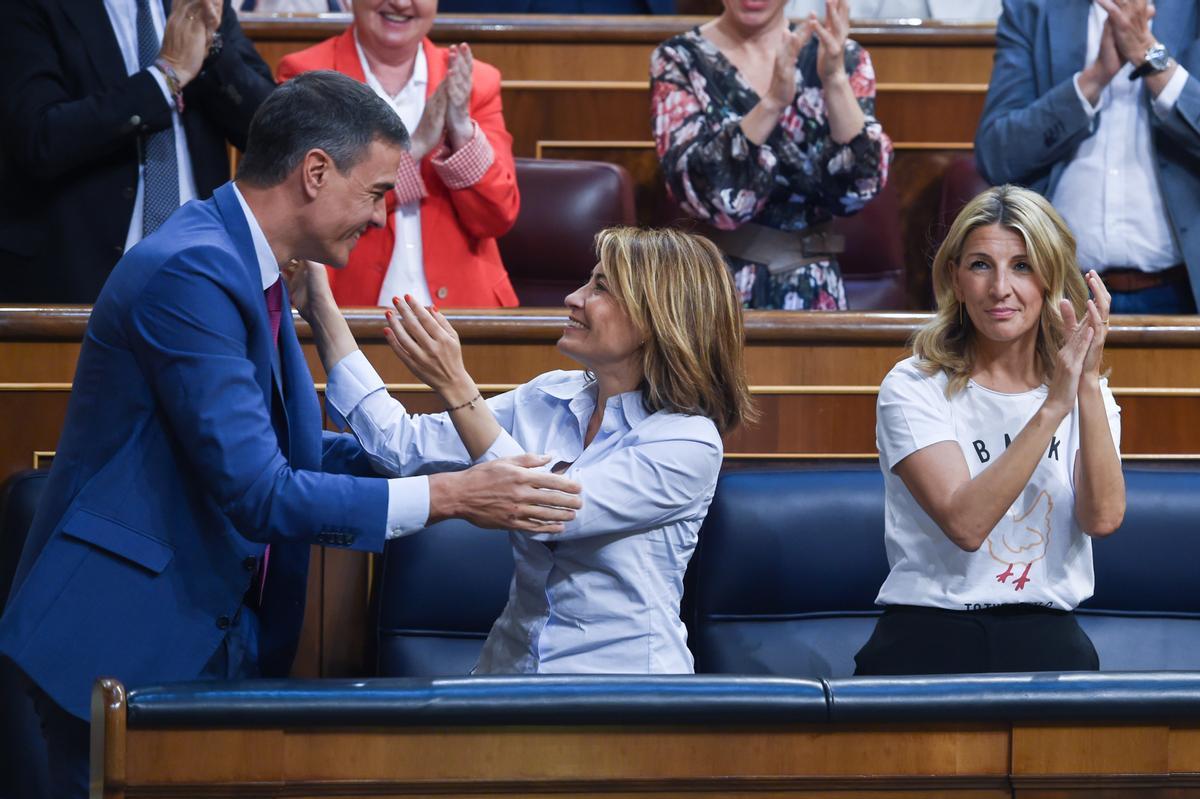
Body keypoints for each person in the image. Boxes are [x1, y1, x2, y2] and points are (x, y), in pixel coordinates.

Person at [0, 71, 581, 799]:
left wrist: (441, 456)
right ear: (315, 172)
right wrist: (451, 496)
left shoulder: (251, 263)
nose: (379, 220)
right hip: (120, 642)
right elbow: (259, 488)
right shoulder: (193, 270)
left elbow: (290, 449)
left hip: (204, 636)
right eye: (375, 193)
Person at [290, 226, 756, 673]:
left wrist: (456, 385)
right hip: (510, 678)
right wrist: (321, 308)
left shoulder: (688, 440)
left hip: (623, 697)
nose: (573, 298)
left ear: (658, 318)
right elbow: (397, 446)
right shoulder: (549, 396)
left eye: (601, 287)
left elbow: (545, 512)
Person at [854, 185, 1125, 676]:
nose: (1001, 288)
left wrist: (1083, 384)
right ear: (955, 279)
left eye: (1022, 266)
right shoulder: (915, 385)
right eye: (981, 265)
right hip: (928, 629)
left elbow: (1102, 519)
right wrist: (1051, 408)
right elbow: (967, 525)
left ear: (1050, 280)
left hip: (1048, 632)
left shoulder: (1089, 393)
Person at [0, 0, 277, 303]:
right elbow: (41, 139)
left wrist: (212, 49)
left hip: (202, 274)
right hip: (76, 277)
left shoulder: (196, 5)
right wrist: (164, 77)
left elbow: (270, 135)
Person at [276, 0, 520, 308]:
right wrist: (415, 147)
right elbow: (310, 207)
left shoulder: (474, 81)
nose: (402, 3)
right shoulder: (309, 75)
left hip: (465, 312)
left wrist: (461, 133)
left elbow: (497, 217)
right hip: (347, 312)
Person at [651, 0, 892, 310]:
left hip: (813, 284)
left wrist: (834, 80)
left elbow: (859, 188)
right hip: (712, 284)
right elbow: (703, 191)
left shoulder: (840, 55)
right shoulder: (678, 58)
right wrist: (773, 102)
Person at [975, 0, 1200, 314]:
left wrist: (1149, 55)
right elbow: (998, 155)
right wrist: (1092, 80)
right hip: (1057, 292)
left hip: (1182, 291)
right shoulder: (1032, 9)